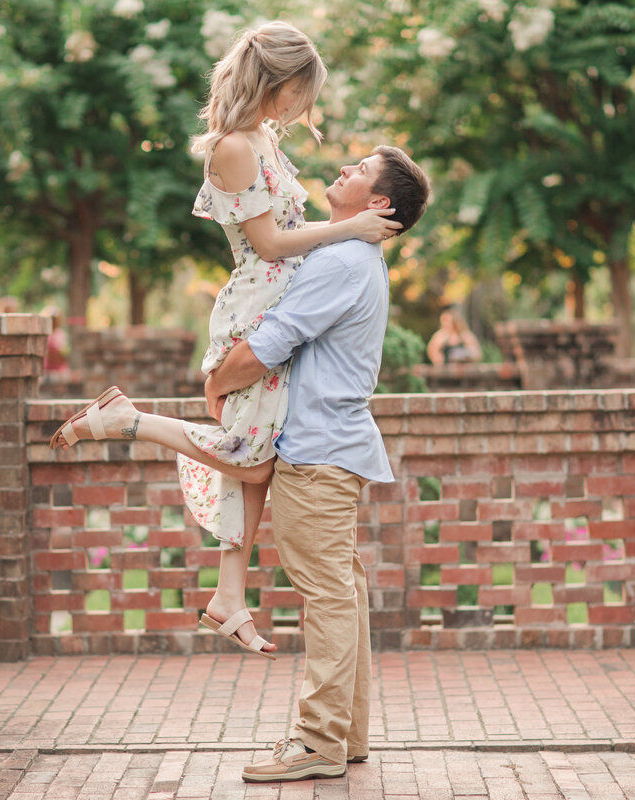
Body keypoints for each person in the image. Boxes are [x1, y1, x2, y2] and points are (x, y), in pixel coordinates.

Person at [49, 21, 399, 659]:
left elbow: (287, 235)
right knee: (253, 455)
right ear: (277, 81)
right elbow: (266, 246)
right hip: (256, 306)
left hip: (278, 298)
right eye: (301, 91)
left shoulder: (260, 137)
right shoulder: (233, 147)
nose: (302, 107)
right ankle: (128, 420)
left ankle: (229, 596)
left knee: (257, 456)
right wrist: (347, 231)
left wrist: (344, 231)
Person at [205, 145, 431, 781]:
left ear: (380, 203)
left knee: (327, 596)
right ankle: (345, 736)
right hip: (331, 447)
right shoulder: (348, 254)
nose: (343, 171)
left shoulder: (343, 261)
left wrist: (217, 382)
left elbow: (273, 343)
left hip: (316, 452)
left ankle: (318, 741)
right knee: (342, 591)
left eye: (359, 170)